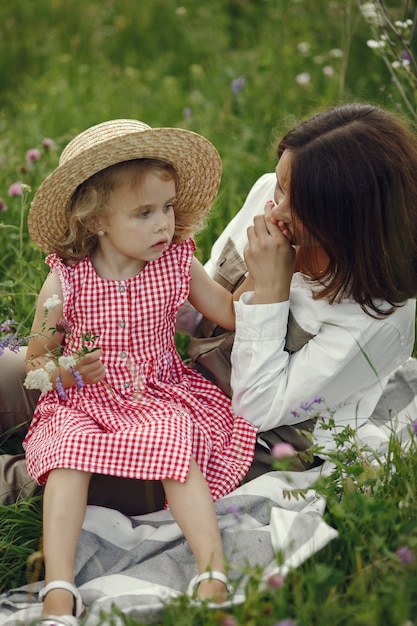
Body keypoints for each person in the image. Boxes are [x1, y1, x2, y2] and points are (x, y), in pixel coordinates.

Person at [20, 118, 258, 623]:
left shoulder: (175, 263)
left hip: (157, 390)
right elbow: (37, 359)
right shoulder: (65, 281)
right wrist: (70, 372)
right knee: (66, 453)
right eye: (145, 212)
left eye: (168, 208)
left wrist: (270, 274)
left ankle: (212, 571)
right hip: (86, 397)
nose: (164, 224)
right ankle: (59, 583)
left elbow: (228, 311)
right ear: (96, 221)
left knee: (176, 441)